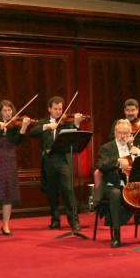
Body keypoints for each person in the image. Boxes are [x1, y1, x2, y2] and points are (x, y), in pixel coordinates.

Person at [29, 96, 84, 231]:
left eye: (60, 109)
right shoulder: (43, 122)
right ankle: (55, 221)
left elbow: (75, 136)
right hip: (49, 159)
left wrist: (76, 124)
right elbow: (32, 132)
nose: (59, 112)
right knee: (51, 192)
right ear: (49, 109)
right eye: (55, 109)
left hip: (63, 160)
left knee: (68, 191)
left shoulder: (67, 122)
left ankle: (74, 222)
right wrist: (47, 126)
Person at [0, 100, 31, 236]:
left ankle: (6, 225)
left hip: (10, 161)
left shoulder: (15, 126)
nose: (7, 113)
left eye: (9, 110)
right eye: (4, 110)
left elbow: (17, 140)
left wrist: (24, 127)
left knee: (8, 194)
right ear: (0, 112)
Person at [96, 119, 140, 247]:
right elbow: (101, 166)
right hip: (111, 185)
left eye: (125, 133)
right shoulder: (106, 148)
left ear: (130, 134)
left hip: (130, 186)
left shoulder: (133, 148)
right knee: (115, 194)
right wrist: (118, 161)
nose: (122, 136)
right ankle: (116, 236)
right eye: (120, 133)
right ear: (115, 132)